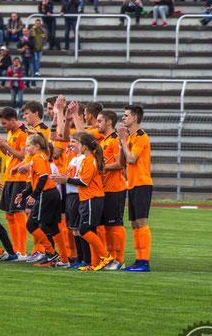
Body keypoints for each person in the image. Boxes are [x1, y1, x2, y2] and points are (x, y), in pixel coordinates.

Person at [52, 132, 113, 270]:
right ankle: (94, 262)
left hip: (92, 198)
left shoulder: (89, 160)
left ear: (84, 146)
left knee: (85, 230)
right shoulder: (86, 160)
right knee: (90, 230)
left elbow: (84, 182)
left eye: (78, 143)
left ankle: (105, 257)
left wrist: (66, 180)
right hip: (87, 198)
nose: (76, 146)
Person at [10, 133, 61, 266]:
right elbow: (37, 181)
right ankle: (59, 257)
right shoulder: (39, 157)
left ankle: (51, 253)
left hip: (47, 194)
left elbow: (43, 178)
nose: (26, 149)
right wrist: (25, 193)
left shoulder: (38, 158)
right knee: (50, 226)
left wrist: (34, 195)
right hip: (49, 193)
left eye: (28, 146)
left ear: (37, 146)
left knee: (32, 225)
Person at [117, 105, 153, 272]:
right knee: (134, 224)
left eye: (126, 116)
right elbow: (122, 162)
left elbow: (132, 159)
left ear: (135, 118)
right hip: (132, 184)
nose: (123, 118)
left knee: (141, 222)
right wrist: (121, 142)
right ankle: (139, 260)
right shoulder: (131, 137)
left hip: (142, 183)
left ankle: (144, 261)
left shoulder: (140, 137)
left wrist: (123, 141)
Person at [0, 107, 29, 257]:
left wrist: (5, 145)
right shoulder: (11, 132)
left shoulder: (24, 133)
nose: (2, 126)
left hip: (20, 178)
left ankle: (22, 251)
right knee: (9, 214)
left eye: (4, 123)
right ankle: (14, 249)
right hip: (10, 177)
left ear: (13, 120)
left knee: (18, 213)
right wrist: (1, 146)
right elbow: (10, 154)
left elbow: (22, 156)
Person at [95, 110, 127, 269]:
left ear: (109, 122)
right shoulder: (104, 141)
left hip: (115, 188)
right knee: (106, 225)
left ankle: (119, 260)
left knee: (115, 225)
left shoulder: (114, 140)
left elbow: (120, 164)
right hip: (104, 188)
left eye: (99, 121)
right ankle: (110, 257)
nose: (96, 124)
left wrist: (100, 168)